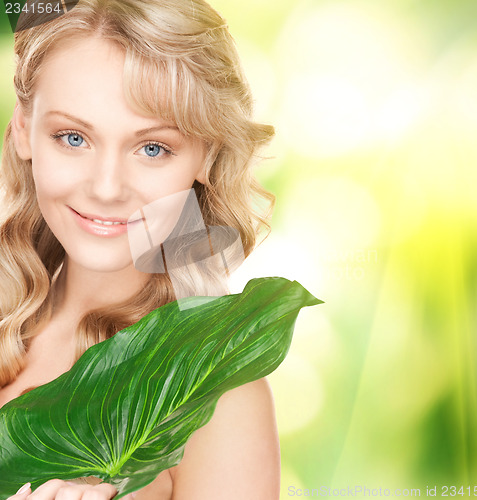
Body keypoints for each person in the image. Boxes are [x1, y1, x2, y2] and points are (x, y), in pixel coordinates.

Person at [0, 0, 279, 498]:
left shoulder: (213, 390)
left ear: (207, 153)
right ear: (23, 128)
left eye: (152, 148)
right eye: (72, 137)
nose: (107, 189)